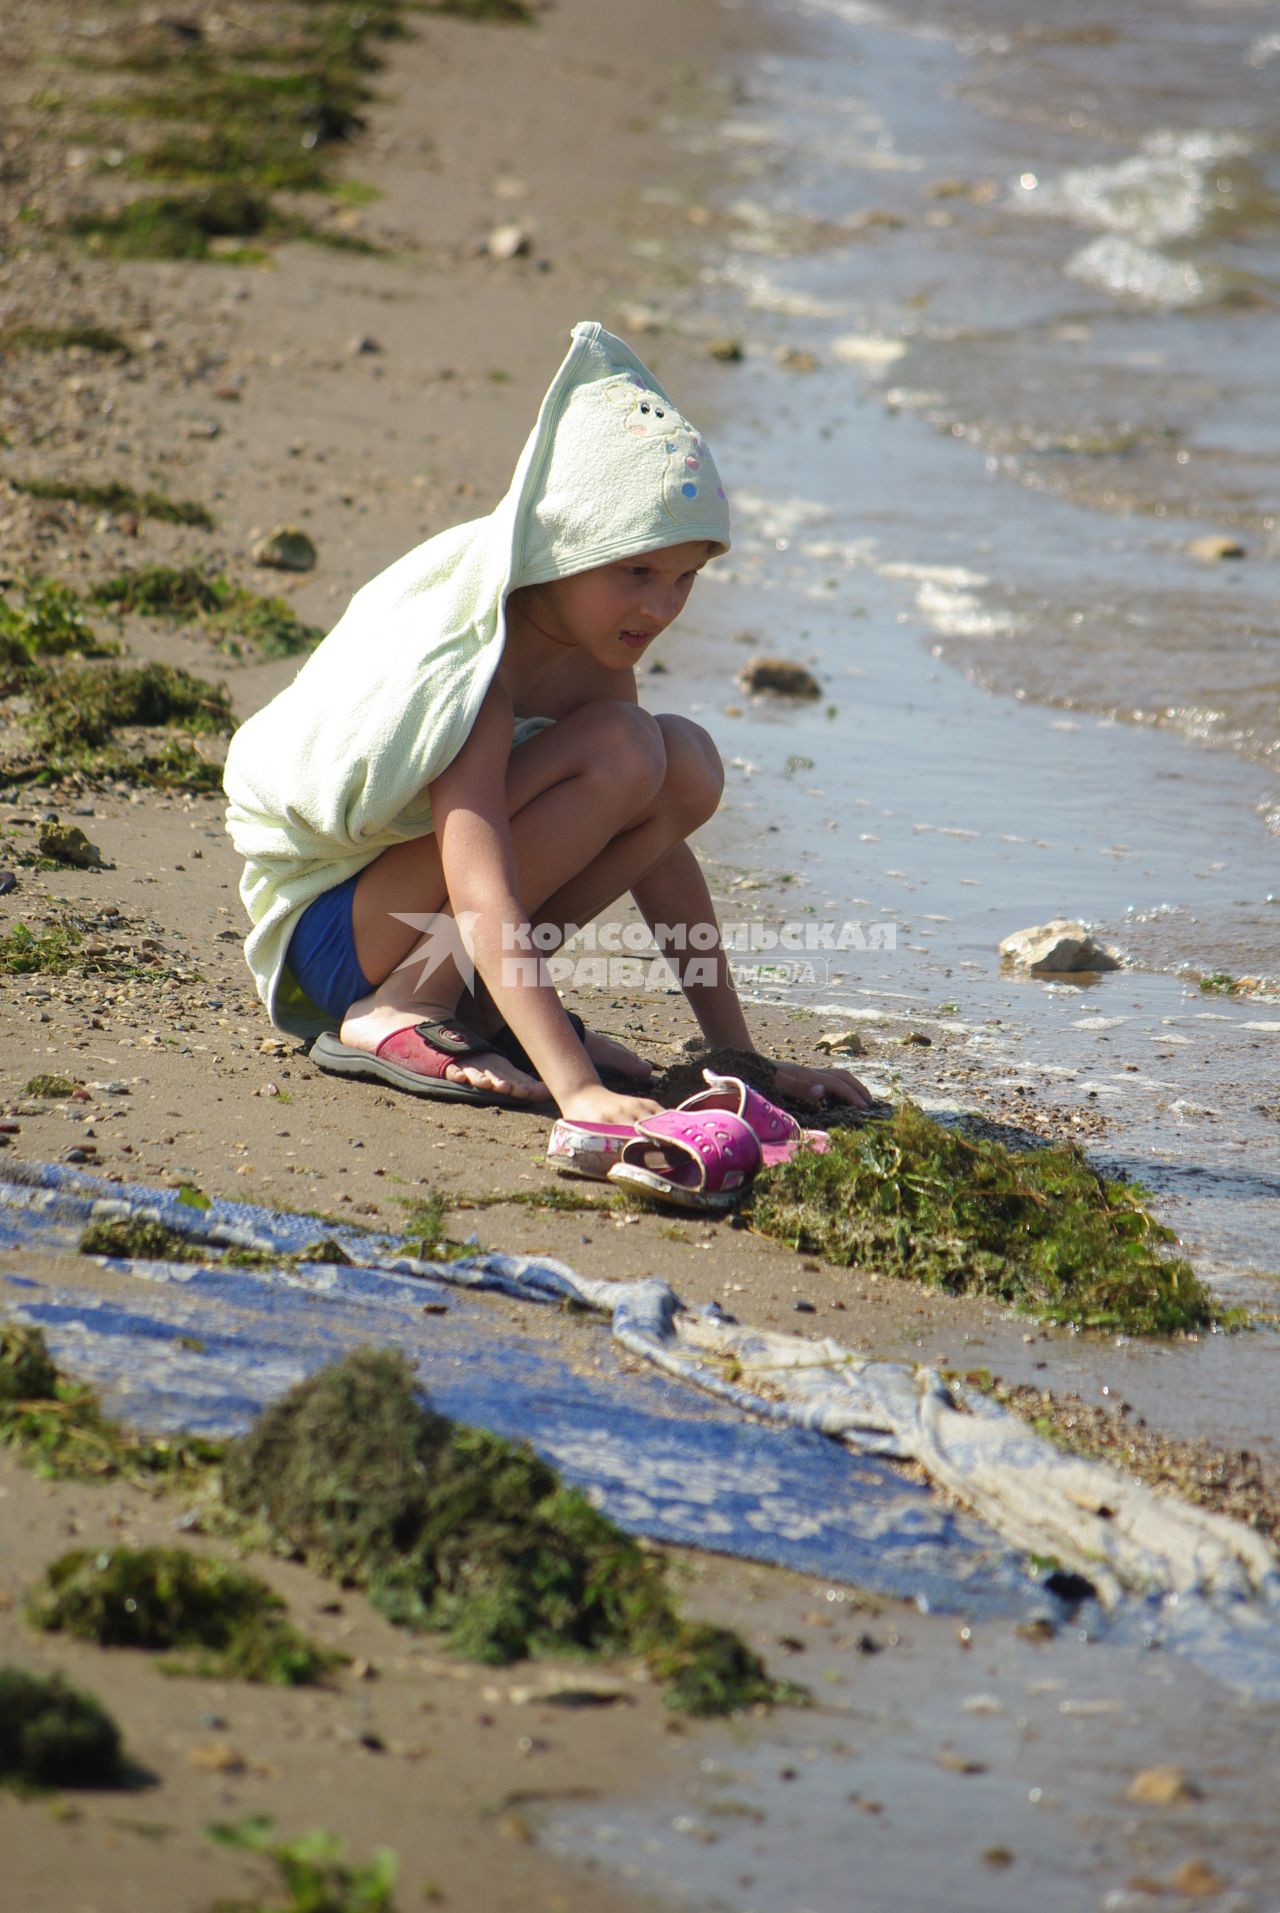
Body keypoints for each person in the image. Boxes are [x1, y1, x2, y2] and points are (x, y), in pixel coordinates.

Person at [224, 322, 870, 1127]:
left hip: (413, 927)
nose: (661, 607)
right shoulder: (477, 664)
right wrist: (578, 1088)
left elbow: (656, 846)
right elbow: (480, 881)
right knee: (627, 746)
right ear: (561, 546)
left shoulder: (597, 657)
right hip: (325, 945)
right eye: (635, 570)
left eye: (685, 579)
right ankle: (401, 1010)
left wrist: (739, 1059)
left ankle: (471, 1010)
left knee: (684, 761)